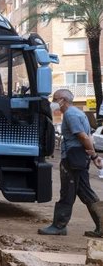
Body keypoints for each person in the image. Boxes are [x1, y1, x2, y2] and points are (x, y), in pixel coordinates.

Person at [39, 89, 103, 237]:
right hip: (79, 159)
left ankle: (59, 226)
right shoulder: (79, 113)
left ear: (63, 100)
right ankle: (101, 226)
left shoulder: (70, 114)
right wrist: (93, 156)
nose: (53, 103)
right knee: (87, 193)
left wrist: (93, 156)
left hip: (72, 160)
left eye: (55, 99)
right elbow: (88, 137)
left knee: (67, 193)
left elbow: (83, 137)